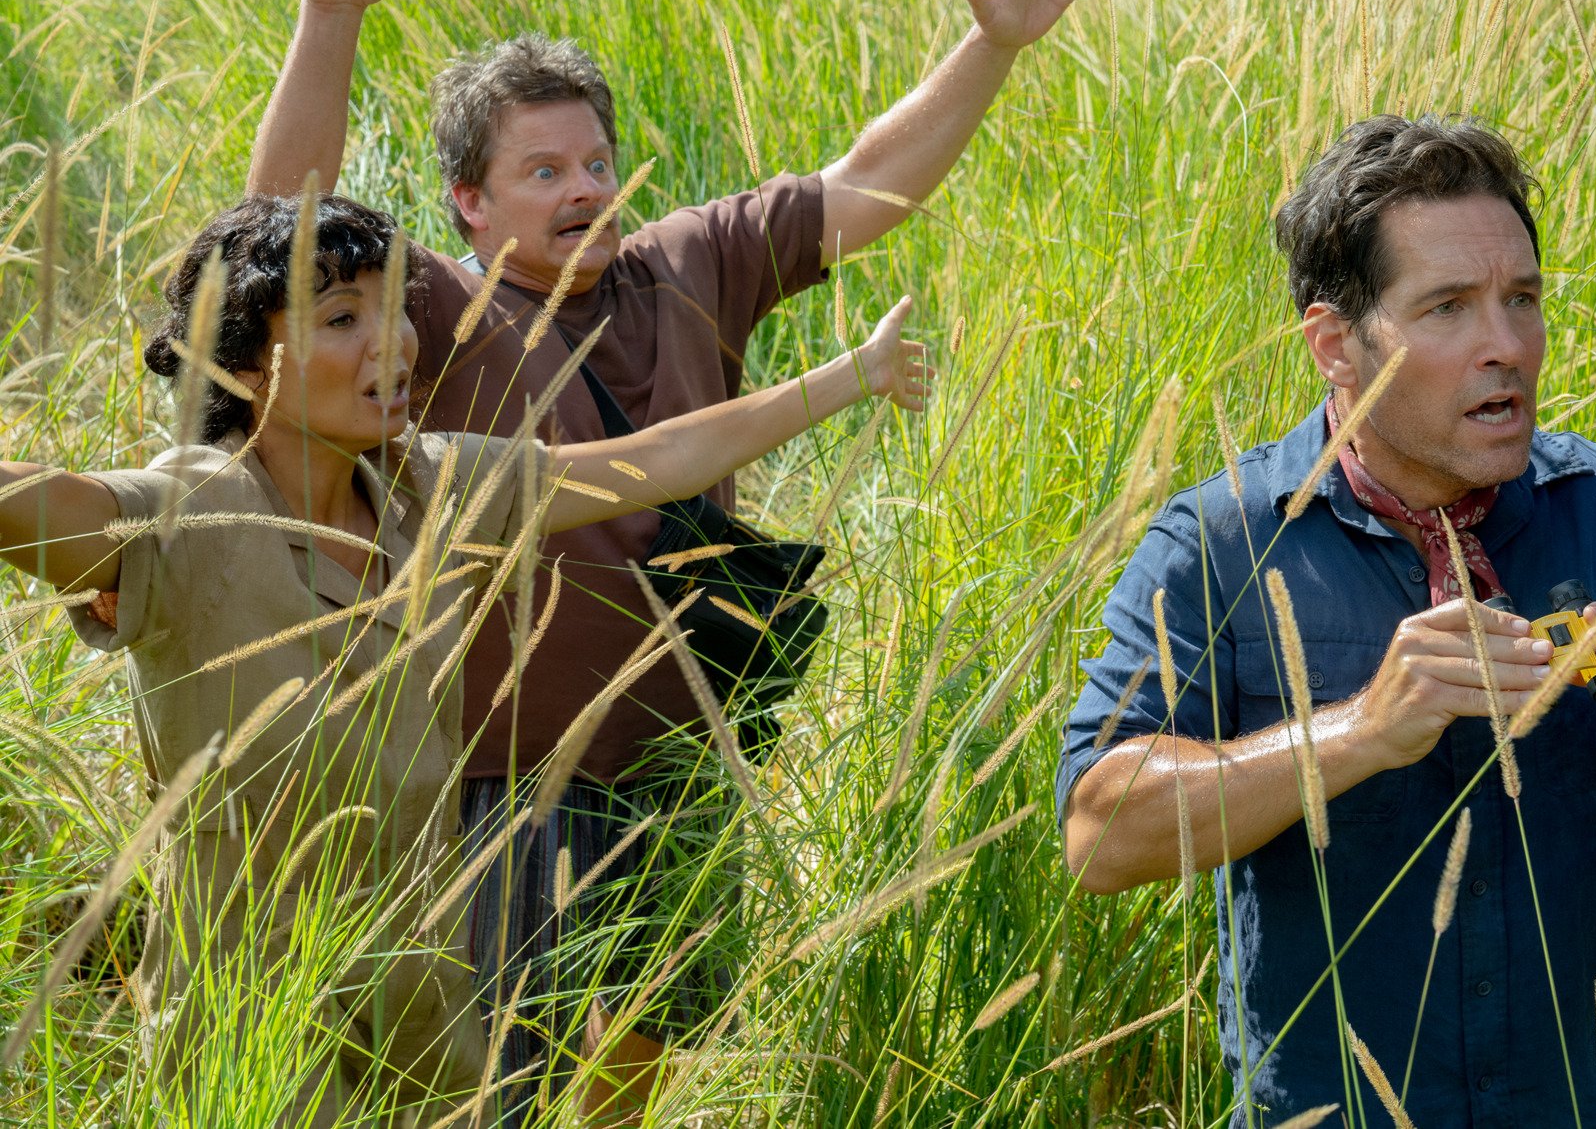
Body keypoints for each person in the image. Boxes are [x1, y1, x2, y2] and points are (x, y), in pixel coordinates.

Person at [241, 0, 1120, 1117]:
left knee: (648, 1057)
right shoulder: (433, 308)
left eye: (596, 159)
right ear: (470, 203)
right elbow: (280, 225)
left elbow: (870, 185)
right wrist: (330, 14)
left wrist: (991, 46)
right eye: (542, 170)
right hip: (497, 785)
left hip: (685, 762)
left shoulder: (691, 265)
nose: (584, 187)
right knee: (505, 1084)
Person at [0, 193, 926, 1126]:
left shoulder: (428, 480)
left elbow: (654, 460)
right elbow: (41, 506)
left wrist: (852, 374)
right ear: (244, 362)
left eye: (397, 306)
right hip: (254, 1041)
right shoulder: (189, 517)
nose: (393, 342)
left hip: (425, 1029)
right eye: (341, 320)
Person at [1057, 115, 1596, 1129]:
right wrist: (1360, 730)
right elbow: (1100, 831)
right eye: (1448, 309)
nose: (1504, 346)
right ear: (1335, 343)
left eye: (1521, 299)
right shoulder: (1220, 544)